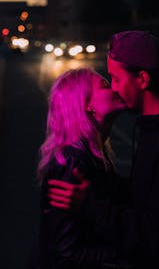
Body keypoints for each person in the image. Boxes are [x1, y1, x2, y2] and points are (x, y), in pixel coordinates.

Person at [48, 30, 159, 269]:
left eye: (115, 79)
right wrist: (104, 184)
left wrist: (91, 207)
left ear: (143, 80)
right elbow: (147, 196)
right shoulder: (154, 127)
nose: (113, 88)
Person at [37, 67, 132, 269]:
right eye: (105, 85)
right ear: (87, 105)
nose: (115, 87)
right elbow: (67, 251)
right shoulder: (73, 164)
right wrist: (128, 253)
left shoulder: (93, 155)